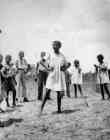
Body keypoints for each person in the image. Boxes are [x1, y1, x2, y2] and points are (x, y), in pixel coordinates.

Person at [40, 41, 71, 114]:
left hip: (60, 75)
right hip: (52, 75)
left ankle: (59, 109)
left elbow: (68, 64)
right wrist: (47, 69)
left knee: (59, 92)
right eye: (53, 45)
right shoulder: (50, 54)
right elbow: (41, 61)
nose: (54, 47)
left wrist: (65, 68)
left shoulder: (62, 56)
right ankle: (40, 109)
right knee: (47, 91)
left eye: (56, 46)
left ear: (59, 47)